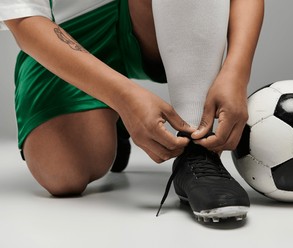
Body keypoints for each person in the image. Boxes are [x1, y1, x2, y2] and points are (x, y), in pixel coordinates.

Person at [0, 0, 264, 223]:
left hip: (157, 11)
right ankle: (113, 114)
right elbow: (24, 20)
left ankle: (198, 151)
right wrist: (123, 98)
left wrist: (237, 71)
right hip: (68, 28)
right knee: (62, 174)